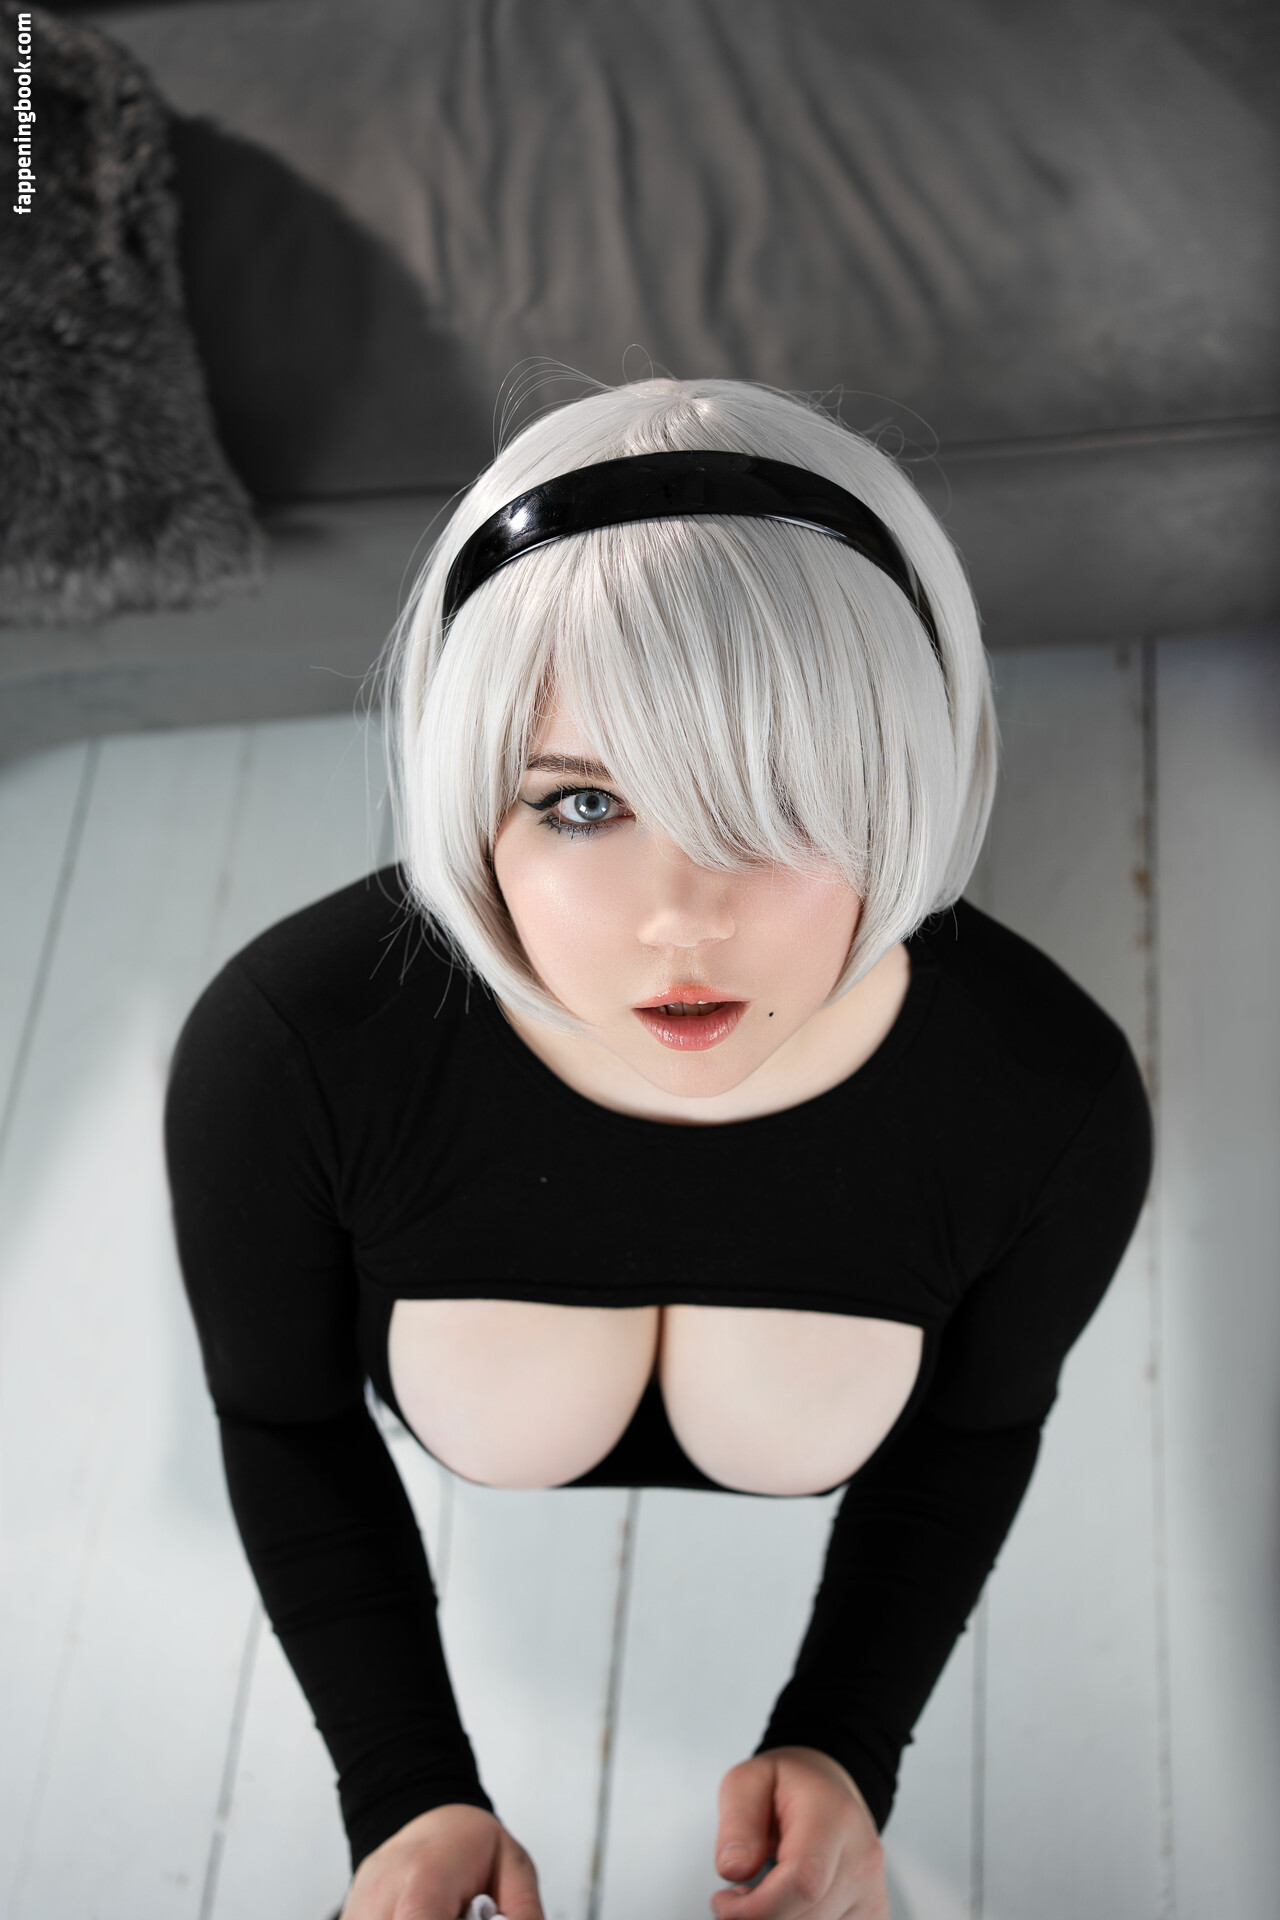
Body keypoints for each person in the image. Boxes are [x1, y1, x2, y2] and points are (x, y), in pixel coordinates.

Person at [163, 376, 1154, 1920]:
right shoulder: (287, 1054)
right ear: (469, 789)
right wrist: (404, 1790)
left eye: (779, 801)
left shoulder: (1049, 1101)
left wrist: (845, 1746)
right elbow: (283, 1419)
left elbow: (972, 1435)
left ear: (908, 775)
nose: (680, 922)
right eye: (582, 804)